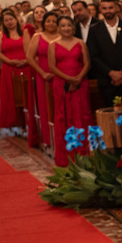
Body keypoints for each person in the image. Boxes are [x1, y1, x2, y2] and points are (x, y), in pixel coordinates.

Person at [47, 16, 92, 166]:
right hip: (61, 84)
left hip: (80, 84)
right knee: (63, 116)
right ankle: (66, 156)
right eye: (63, 25)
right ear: (59, 28)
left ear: (73, 27)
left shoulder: (80, 43)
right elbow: (52, 67)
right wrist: (69, 79)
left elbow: (87, 64)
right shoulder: (53, 45)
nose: (66, 28)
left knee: (81, 115)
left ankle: (83, 153)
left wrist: (78, 78)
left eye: (69, 25)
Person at [87, 0, 122, 107]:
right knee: (109, 113)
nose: (108, 11)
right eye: (104, 8)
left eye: (111, 7)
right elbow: (93, 55)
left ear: (116, 8)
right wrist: (111, 73)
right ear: (100, 9)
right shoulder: (94, 29)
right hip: (106, 80)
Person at [25, 9, 61, 148]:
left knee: (59, 105)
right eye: (48, 21)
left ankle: (61, 136)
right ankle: (48, 139)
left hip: (60, 75)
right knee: (45, 106)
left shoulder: (63, 35)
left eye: (54, 21)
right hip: (43, 76)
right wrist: (42, 73)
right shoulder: (37, 37)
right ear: (43, 23)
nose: (51, 24)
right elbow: (30, 58)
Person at [0, 9, 31, 132]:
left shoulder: (25, 33)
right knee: (12, 95)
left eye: (11, 19)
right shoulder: (0, 35)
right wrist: (9, 61)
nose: (9, 22)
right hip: (9, 67)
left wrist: (26, 61)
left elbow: (29, 49)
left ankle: (28, 121)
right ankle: (15, 121)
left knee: (26, 94)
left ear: (16, 20)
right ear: (3, 23)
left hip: (25, 65)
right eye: (6, 20)